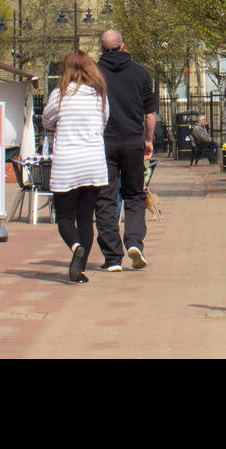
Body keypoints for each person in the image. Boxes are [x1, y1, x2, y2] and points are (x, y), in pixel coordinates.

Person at [43, 49, 110, 283]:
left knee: (63, 216)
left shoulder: (60, 95)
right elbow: (104, 122)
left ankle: (75, 246)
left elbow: (46, 121)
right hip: (93, 163)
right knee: (85, 218)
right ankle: (79, 270)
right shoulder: (99, 95)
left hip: (67, 164)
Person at [95, 30, 158, 272]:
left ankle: (112, 257)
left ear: (102, 49)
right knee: (134, 195)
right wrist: (148, 140)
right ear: (123, 46)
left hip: (104, 144)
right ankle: (134, 243)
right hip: (133, 142)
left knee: (105, 198)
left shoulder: (94, 74)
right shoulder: (140, 73)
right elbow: (149, 113)